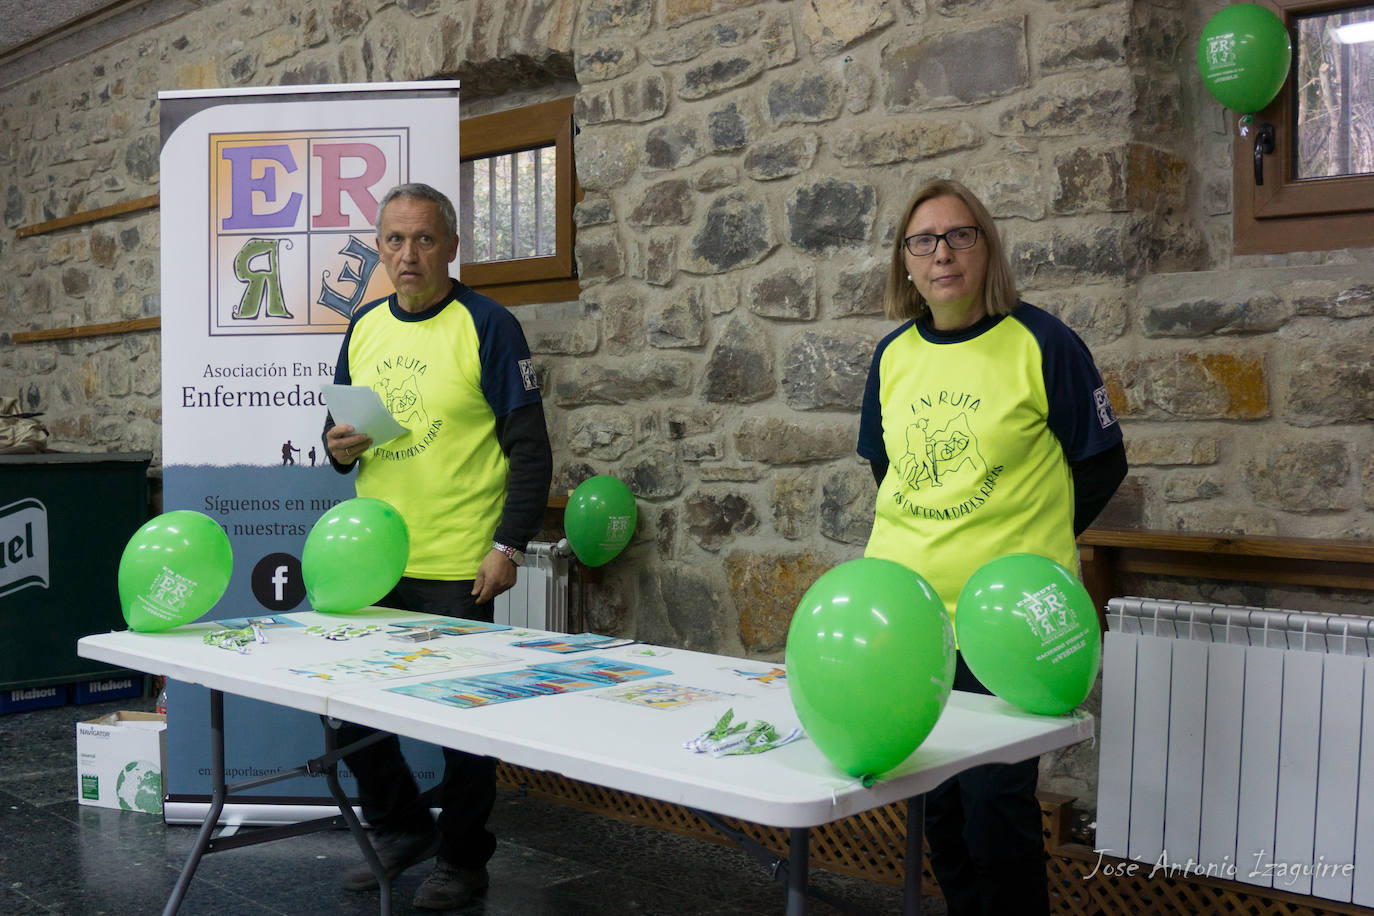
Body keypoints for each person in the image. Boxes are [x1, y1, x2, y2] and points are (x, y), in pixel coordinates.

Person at [856, 179, 1126, 916]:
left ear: (987, 249)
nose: (942, 253)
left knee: (994, 810)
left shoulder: (1042, 343)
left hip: (1002, 630)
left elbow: (1102, 463)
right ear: (905, 264)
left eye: (959, 236)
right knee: (937, 806)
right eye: (923, 241)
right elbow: (889, 472)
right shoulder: (891, 357)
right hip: (909, 626)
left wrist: (1029, 539)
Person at [321, 182, 553, 910]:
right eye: (394, 239)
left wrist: (508, 547)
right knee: (344, 706)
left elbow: (531, 450)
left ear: (452, 247)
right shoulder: (361, 328)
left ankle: (462, 858)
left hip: (458, 564)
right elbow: (340, 446)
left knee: (461, 724)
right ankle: (401, 827)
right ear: (380, 247)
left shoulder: (489, 325)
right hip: (372, 563)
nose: (408, 254)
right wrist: (337, 449)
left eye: (424, 239)